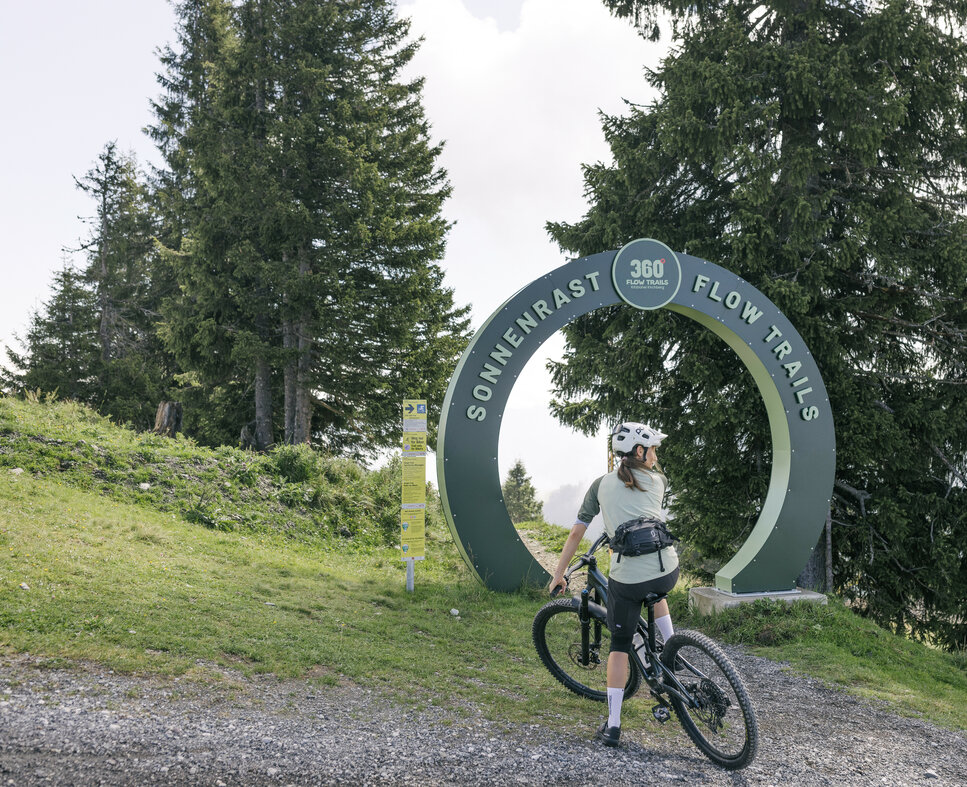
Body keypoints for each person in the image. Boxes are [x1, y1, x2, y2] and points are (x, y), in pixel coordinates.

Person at [549, 421, 680, 748]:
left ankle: (614, 726)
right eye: (652, 449)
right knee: (656, 591)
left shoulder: (600, 485)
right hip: (668, 570)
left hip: (629, 579)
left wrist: (559, 573)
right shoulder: (658, 481)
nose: (654, 455)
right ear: (639, 451)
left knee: (619, 646)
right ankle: (672, 648)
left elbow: (576, 533)